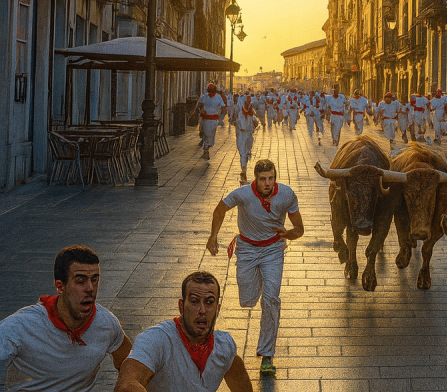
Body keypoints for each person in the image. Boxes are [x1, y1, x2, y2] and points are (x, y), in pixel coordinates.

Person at [206, 160, 304, 378]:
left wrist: (287, 233)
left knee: (271, 299)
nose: (267, 183)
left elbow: (300, 229)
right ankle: (259, 281)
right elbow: (219, 210)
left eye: (271, 178)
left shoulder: (287, 194)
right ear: (255, 179)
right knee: (248, 299)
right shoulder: (242, 194)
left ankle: (267, 354)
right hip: (248, 249)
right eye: (263, 179)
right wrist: (213, 237)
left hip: (273, 250)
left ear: (275, 178)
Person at [0, 245, 131, 391]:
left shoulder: (106, 323)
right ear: (60, 287)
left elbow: (130, 362)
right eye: (81, 281)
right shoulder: (21, 326)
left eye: (94, 280)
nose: (90, 288)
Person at [113, 271, 251, 391]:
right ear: (181, 306)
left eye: (209, 302)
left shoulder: (224, 346)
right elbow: (126, 386)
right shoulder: (156, 339)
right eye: (194, 301)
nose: (202, 310)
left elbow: (239, 378)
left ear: (217, 309)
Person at [193, 83, 226, 161]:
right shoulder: (204, 97)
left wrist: (221, 114)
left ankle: (206, 150)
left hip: (213, 120)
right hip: (205, 120)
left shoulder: (218, 97)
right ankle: (206, 151)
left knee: (210, 136)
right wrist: (200, 110)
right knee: (206, 134)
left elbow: (223, 106)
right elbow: (199, 105)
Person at [235, 95, 259, 184]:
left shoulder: (251, 112)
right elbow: (234, 120)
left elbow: (255, 122)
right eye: (246, 103)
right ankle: (243, 170)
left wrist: (254, 124)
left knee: (246, 152)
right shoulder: (238, 110)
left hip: (248, 135)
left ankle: (244, 169)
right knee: (242, 153)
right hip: (241, 135)